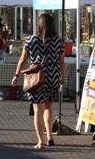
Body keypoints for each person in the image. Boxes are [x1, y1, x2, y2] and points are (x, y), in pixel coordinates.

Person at [11, 12, 65, 149]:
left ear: (39, 24)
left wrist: (16, 75)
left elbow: (22, 60)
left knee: (38, 110)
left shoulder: (31, 40)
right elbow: (62, 61)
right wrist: (62, 76)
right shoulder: (58, 41)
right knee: (49, 108)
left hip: (37, 78)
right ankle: (50, 136)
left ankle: (40, 141)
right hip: (53, 77)